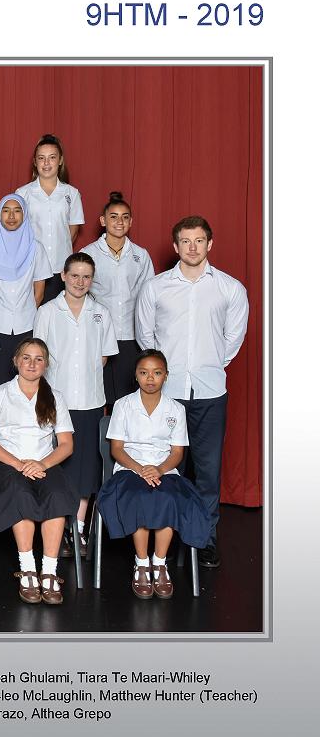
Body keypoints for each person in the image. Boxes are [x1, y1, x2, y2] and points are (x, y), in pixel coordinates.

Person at [135, 215, 249, 568]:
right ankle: (166, 538)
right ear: (176, 246)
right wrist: (165, 374)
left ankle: (204, 539)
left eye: (199, 240)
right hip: (167, 394)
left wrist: (207, 365)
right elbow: (146, 338)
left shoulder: (230, 288)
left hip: (210, 393)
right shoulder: (155, 287)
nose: (193, 247)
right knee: (169, 469)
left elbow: (232, 340)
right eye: (186, 241)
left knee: (207, 472)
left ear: (209, 244)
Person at [95, 350, 212, 599]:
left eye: (157, 373)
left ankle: (159, 563)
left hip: (164, 470)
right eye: (144, 372)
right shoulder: (123, 405)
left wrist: (158, 469)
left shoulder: (176, 409)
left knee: (170, 498)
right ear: (136, 376)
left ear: (166, 376)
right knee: (140, 497)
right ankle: (141, 562)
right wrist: (140, 469)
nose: (150, 378)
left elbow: (177, 452)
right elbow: (117, 449)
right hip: (130, 469)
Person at [0, 338, 77, 605]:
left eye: (38, 359)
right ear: (15, 361)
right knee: (20, 493)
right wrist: (19, 464)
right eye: (26, 357)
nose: (32, 364)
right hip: (10, 466)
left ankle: (49, 571)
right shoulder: (0, 393)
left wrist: (42, 464)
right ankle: (28, 569)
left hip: (44, 465)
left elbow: (66, 444)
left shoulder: (55, 396)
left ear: (46, 364)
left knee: (57, 494)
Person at [33, 252, 118, 556]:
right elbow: (38, 355)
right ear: (63, 276)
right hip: (56, 401)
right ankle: (56, 527)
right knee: (57, 465)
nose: (80, 282)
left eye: (86, 277)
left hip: (90, 401)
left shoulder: (101, 313)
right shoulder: (47, 312)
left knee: (85, 468)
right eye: (75, 276)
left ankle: (77, 530)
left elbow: (104, 356)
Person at [80, 191, 155, 402]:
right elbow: (79, 292)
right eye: (113, 217)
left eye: (124, 217)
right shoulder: (88, 253)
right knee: (96, 394)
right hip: (98, 334)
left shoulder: (141, 255)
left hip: (131, 336)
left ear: (131, 221)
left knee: (127, 398)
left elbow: (148, 296)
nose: (119, 222)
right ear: (103, 221)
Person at [0, 193, 50, 388]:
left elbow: (39, 292)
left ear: (24, 214)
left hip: (27, 324)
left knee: (26, 380)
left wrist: (24, 313)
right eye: (6, 211)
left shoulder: (36, 248)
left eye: (17, 211)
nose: (11, 216)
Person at [16, 134, 85, 302]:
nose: (46, 163)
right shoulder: (22, 193)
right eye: (41, 158)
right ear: (35, 161)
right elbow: (17, 232)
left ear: (60, 160)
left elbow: (72, 231)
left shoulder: (72, 193)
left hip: (60, 268)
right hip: (31, 268)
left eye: (52, 157)